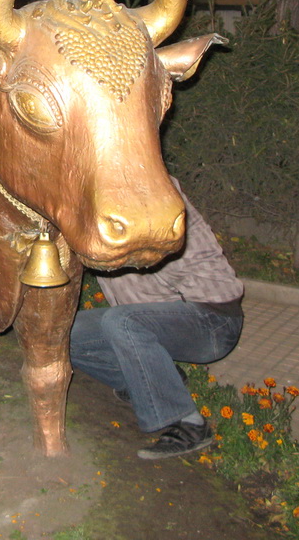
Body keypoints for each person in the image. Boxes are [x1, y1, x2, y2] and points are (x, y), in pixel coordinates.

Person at [70, 180, 243, 460]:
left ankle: (189, 425)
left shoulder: (153, 192)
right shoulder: (90, 198)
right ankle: (151, 379)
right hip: (155, 319)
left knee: (122, 323)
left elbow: (145, 269)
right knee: (65, 332)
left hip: (212, 320)